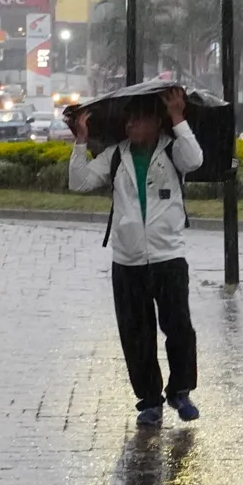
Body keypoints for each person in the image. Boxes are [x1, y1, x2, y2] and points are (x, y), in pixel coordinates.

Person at [69, 87, 204, 428]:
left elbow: (195, 160)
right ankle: (149, 401)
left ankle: (180, 392)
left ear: (155, 122)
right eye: (128, 121)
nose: (130, 126)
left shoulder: (172, 150)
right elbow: (79, 183)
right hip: (127, 261)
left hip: (168, 256)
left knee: (179, 328)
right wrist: (81, 141)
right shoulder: (116, 155)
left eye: (138, 120)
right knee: (136, 333)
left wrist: (178, 116)